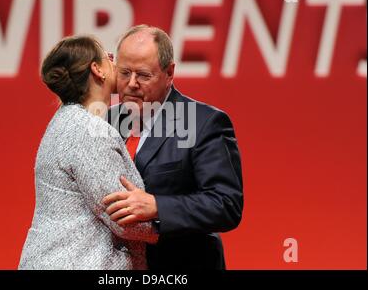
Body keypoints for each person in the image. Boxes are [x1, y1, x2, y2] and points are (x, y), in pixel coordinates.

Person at [103, 25, 244, 269]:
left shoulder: (204, 123)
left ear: (169, 73)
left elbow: (226, 204)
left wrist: (157, 206)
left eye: (144, 75)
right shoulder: (106, 121)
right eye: (124, 72)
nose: (131, 84)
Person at [18, 35, 158, 270]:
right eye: (109, 58)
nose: (116, 65)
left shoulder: (65, 121)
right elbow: (124, 219)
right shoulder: (91, 131)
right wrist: (176, 221)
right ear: (97, 69)